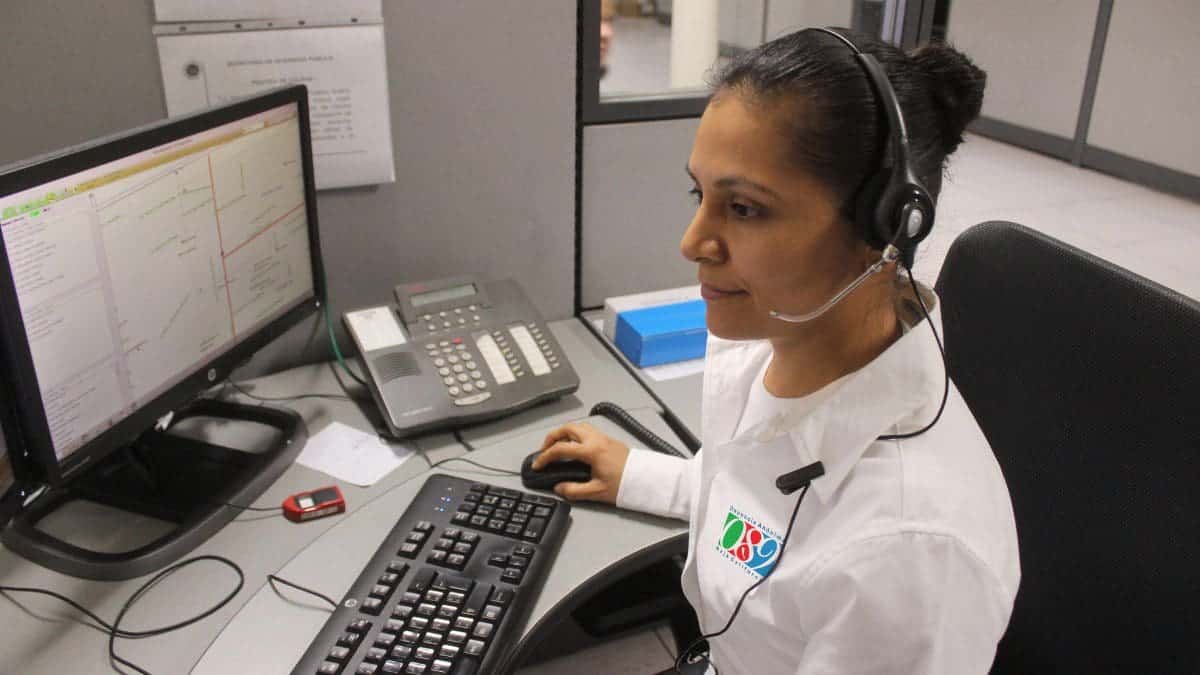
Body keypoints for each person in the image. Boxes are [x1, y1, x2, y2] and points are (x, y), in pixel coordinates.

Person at [531, 27, 1020, 674]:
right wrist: (641, 476)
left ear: (887, 224)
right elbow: (757, 502)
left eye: (744, 208)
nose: (692, 241)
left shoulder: (906, 557)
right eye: (698, 195)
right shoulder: (778, 342)